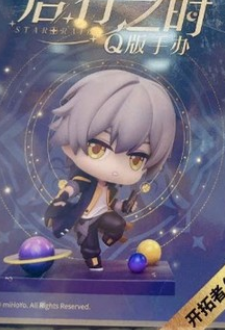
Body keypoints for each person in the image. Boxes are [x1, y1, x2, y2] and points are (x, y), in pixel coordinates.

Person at [44, 69, 176, 270]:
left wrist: (124, 206)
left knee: (118, 225)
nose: (114, 169)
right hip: (85, 218)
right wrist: (61, 198)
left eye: (136, 160)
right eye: (97, 148)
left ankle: (107, 239)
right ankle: (93, 262)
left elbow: (111, 203)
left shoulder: (111, 186)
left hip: (102, 215)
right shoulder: (84, 180)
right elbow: (73, 187)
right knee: (90, 247)